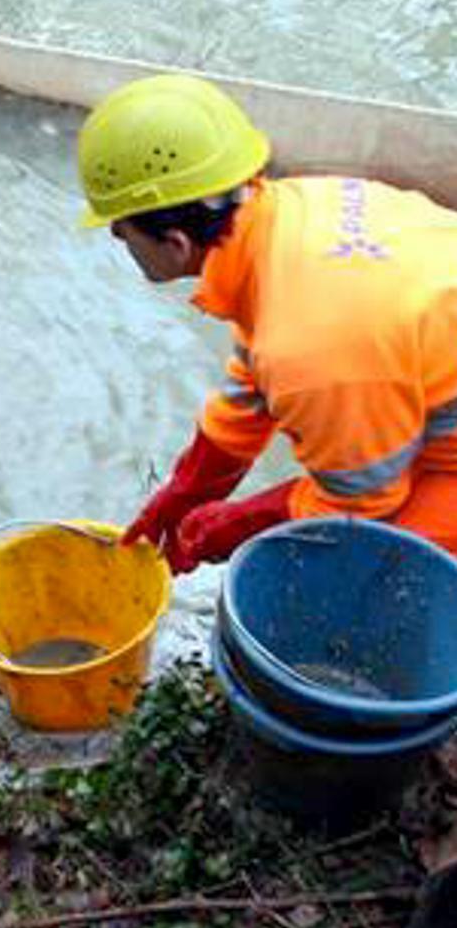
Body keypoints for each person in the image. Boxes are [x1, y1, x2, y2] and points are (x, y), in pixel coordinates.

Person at [77, 72, 457, 572]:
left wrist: (233, 525)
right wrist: (183, 494)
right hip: (421, 396)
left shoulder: (312, 345)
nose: (115, 240)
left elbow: (363, 504)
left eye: (121, 230)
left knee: (378, 578)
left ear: (176, 244)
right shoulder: (291, 213)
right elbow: (252, 381)